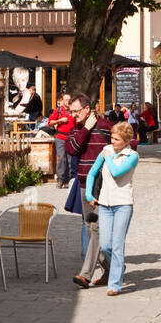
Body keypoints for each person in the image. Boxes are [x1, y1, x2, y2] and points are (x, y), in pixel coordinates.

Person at [85, 121, 138, 296]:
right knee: (105, 244)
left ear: (126, 140)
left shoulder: (132, 156)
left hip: (123, 204)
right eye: (112, 138)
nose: (112, 141)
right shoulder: (106, 150)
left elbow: (116, 172)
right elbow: (92, 172)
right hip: (105, 204)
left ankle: (114, 284)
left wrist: (108, 156)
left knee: (117, 245)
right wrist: (88, 193)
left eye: (116, 139)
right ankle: (118, 266)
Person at [66, 94, 112, 286]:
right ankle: (113, 268)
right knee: (90, 228)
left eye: (76, 111)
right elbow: (71, 148)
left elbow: (129, 142)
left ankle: (85, 274)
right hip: (85, 185)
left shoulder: (106, 126)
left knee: (97, 229)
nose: (73, 115)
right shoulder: (77, 128)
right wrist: (85, 128)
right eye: (71, 111)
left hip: (104, 186)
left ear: (87, 109)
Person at [48, 93, 74, 188]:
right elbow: (50, 123)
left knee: (70, 159)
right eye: (66, 99)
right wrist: (60, 121)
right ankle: (60, 179)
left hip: (71, 138)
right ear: (62, 101)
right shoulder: (58, 111)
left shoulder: (74, 110)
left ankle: (69, 180)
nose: (68, 101)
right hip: (60, 137)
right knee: (62, 158)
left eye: (69, 99)